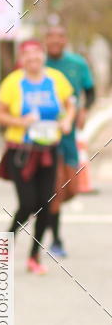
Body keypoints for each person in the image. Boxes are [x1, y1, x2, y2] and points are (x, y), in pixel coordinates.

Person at [0, 40, 75, 274]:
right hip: (21, 151)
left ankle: (34, 257)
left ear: (42, 56)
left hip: (48, 150)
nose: (33, 60)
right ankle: (5, 244)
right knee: (28, 203)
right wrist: (20, 122)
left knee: (46, 204)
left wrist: (68, 120)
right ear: (22, 59)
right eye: (27, 57)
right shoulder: (13, 82)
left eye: (36, 55)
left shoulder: (56, 79)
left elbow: (70, 104)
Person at [45, 24, 97, 257]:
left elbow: (90, 91)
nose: (55, 41)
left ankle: (45, 207)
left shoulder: (77, 64)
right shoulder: (39, 64)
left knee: (73, 188)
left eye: (59, 37)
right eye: (50, 37)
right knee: (56, 187)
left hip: (69, 134)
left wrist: (83, 110)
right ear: (45, 40)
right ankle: (56, 239)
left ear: (65, 40)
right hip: (46, 135)